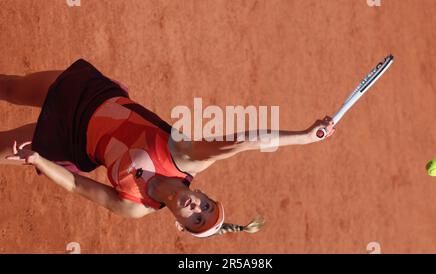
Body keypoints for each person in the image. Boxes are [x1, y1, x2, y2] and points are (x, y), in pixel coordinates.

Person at [0, 59, 335, 238]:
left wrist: (40, 160)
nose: (196, 208)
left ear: (180, 223)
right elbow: (246, 141)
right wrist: (304, 137)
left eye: (196, 219)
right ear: (202, 193)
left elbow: (76, 184)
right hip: (90, 95)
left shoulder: (135, 207)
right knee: (10, 86)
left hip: (70, 143)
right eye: (206, 206)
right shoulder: (187, 158)